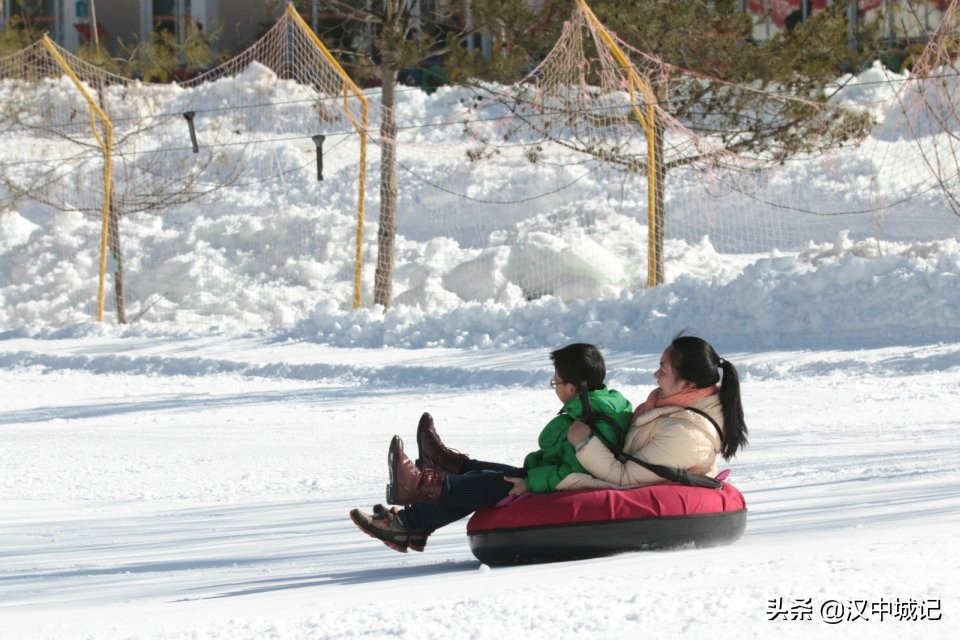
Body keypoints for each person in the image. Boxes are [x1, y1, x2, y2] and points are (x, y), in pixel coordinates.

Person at [349, 343, 633, 553]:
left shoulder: (591, 418)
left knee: (487, 483)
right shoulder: (597, 405)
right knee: (485, 475)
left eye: (555, 381)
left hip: (566, 483)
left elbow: (576, 470)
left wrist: (529, 480)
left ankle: (415, 499)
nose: (554, 386)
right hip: (553, 474)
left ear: (572, 388)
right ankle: (442, 468)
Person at [560, 334, 748, 490]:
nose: (656, 375)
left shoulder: (688, 435)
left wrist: (584, 443)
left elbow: (624, 478)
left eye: (663, 371)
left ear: (687, 385)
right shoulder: (666, 407)